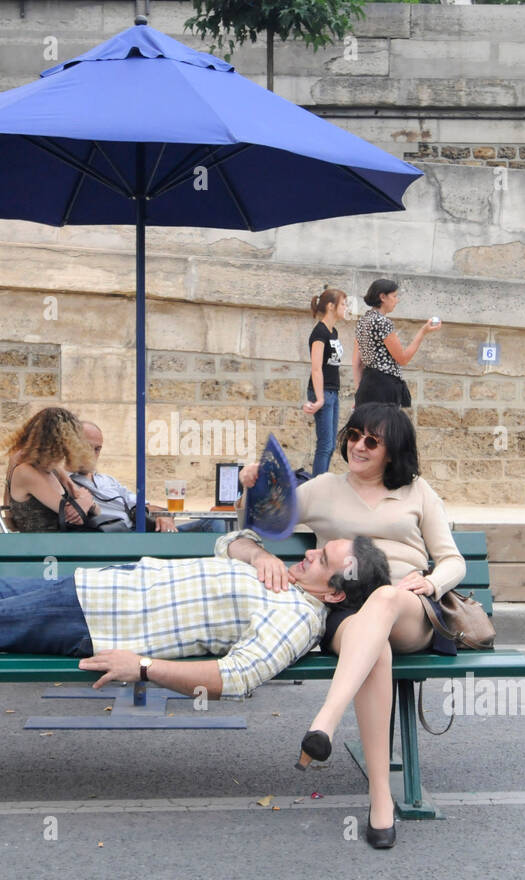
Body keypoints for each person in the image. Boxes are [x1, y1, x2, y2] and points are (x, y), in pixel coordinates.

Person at [0, 531, 391, 702]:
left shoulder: (297, 620)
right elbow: (227, 540)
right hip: (93, 588)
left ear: (336, 593)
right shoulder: (283, 576)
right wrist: (258, 553)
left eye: (323, 557)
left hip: (99, 620)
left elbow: (238, 677)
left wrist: (144, 667)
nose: (310, 551)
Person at [239, 402, 465, 849]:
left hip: (408, 605)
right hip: (344, 610)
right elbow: (257, 524)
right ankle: (381, 800)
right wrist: (252, 488)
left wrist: (432, 581)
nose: (357, 446)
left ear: (391, 451)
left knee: (382, 599)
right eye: (354, 435)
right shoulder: (323, 488)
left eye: (371, 441)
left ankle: (325, 719)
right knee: (371, 644)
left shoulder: (417, 492)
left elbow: (454, 559)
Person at [70, 421, 225, 533]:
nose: (93, 454)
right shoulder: (66, 482)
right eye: (87, 447)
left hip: (146, 534)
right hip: (119, 538)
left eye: (97, 449)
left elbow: (141, 504)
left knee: (214, 522)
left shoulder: (107, 480)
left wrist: (163, 515)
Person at [2, 407, 99, 532]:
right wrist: (86, 500)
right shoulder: (25, 472)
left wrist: (85, 501)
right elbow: (75, 515)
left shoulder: (53, 469)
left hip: (63, 542)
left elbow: (96, 510)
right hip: (43, 547)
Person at [353, 277, 441, 408]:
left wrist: (358, 392)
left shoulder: (363, 321)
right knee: (385, 427)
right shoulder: (383, 323)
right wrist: (422, 332)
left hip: (366, 385)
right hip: (384, 385)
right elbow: (403, 359)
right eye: (394, 296)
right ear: (383, 297)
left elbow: (357, 362)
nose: (397, 300)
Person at [304, 287, 347, 477]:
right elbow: (316, 367)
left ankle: (320, 484)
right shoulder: (319, 332)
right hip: (322, 392)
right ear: (331, 306)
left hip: (332, 391)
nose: (346, 308)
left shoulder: (333, 331)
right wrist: (320, 398)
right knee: (325, 445)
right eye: (343, 304)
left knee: (330, 446)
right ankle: (317, 488)